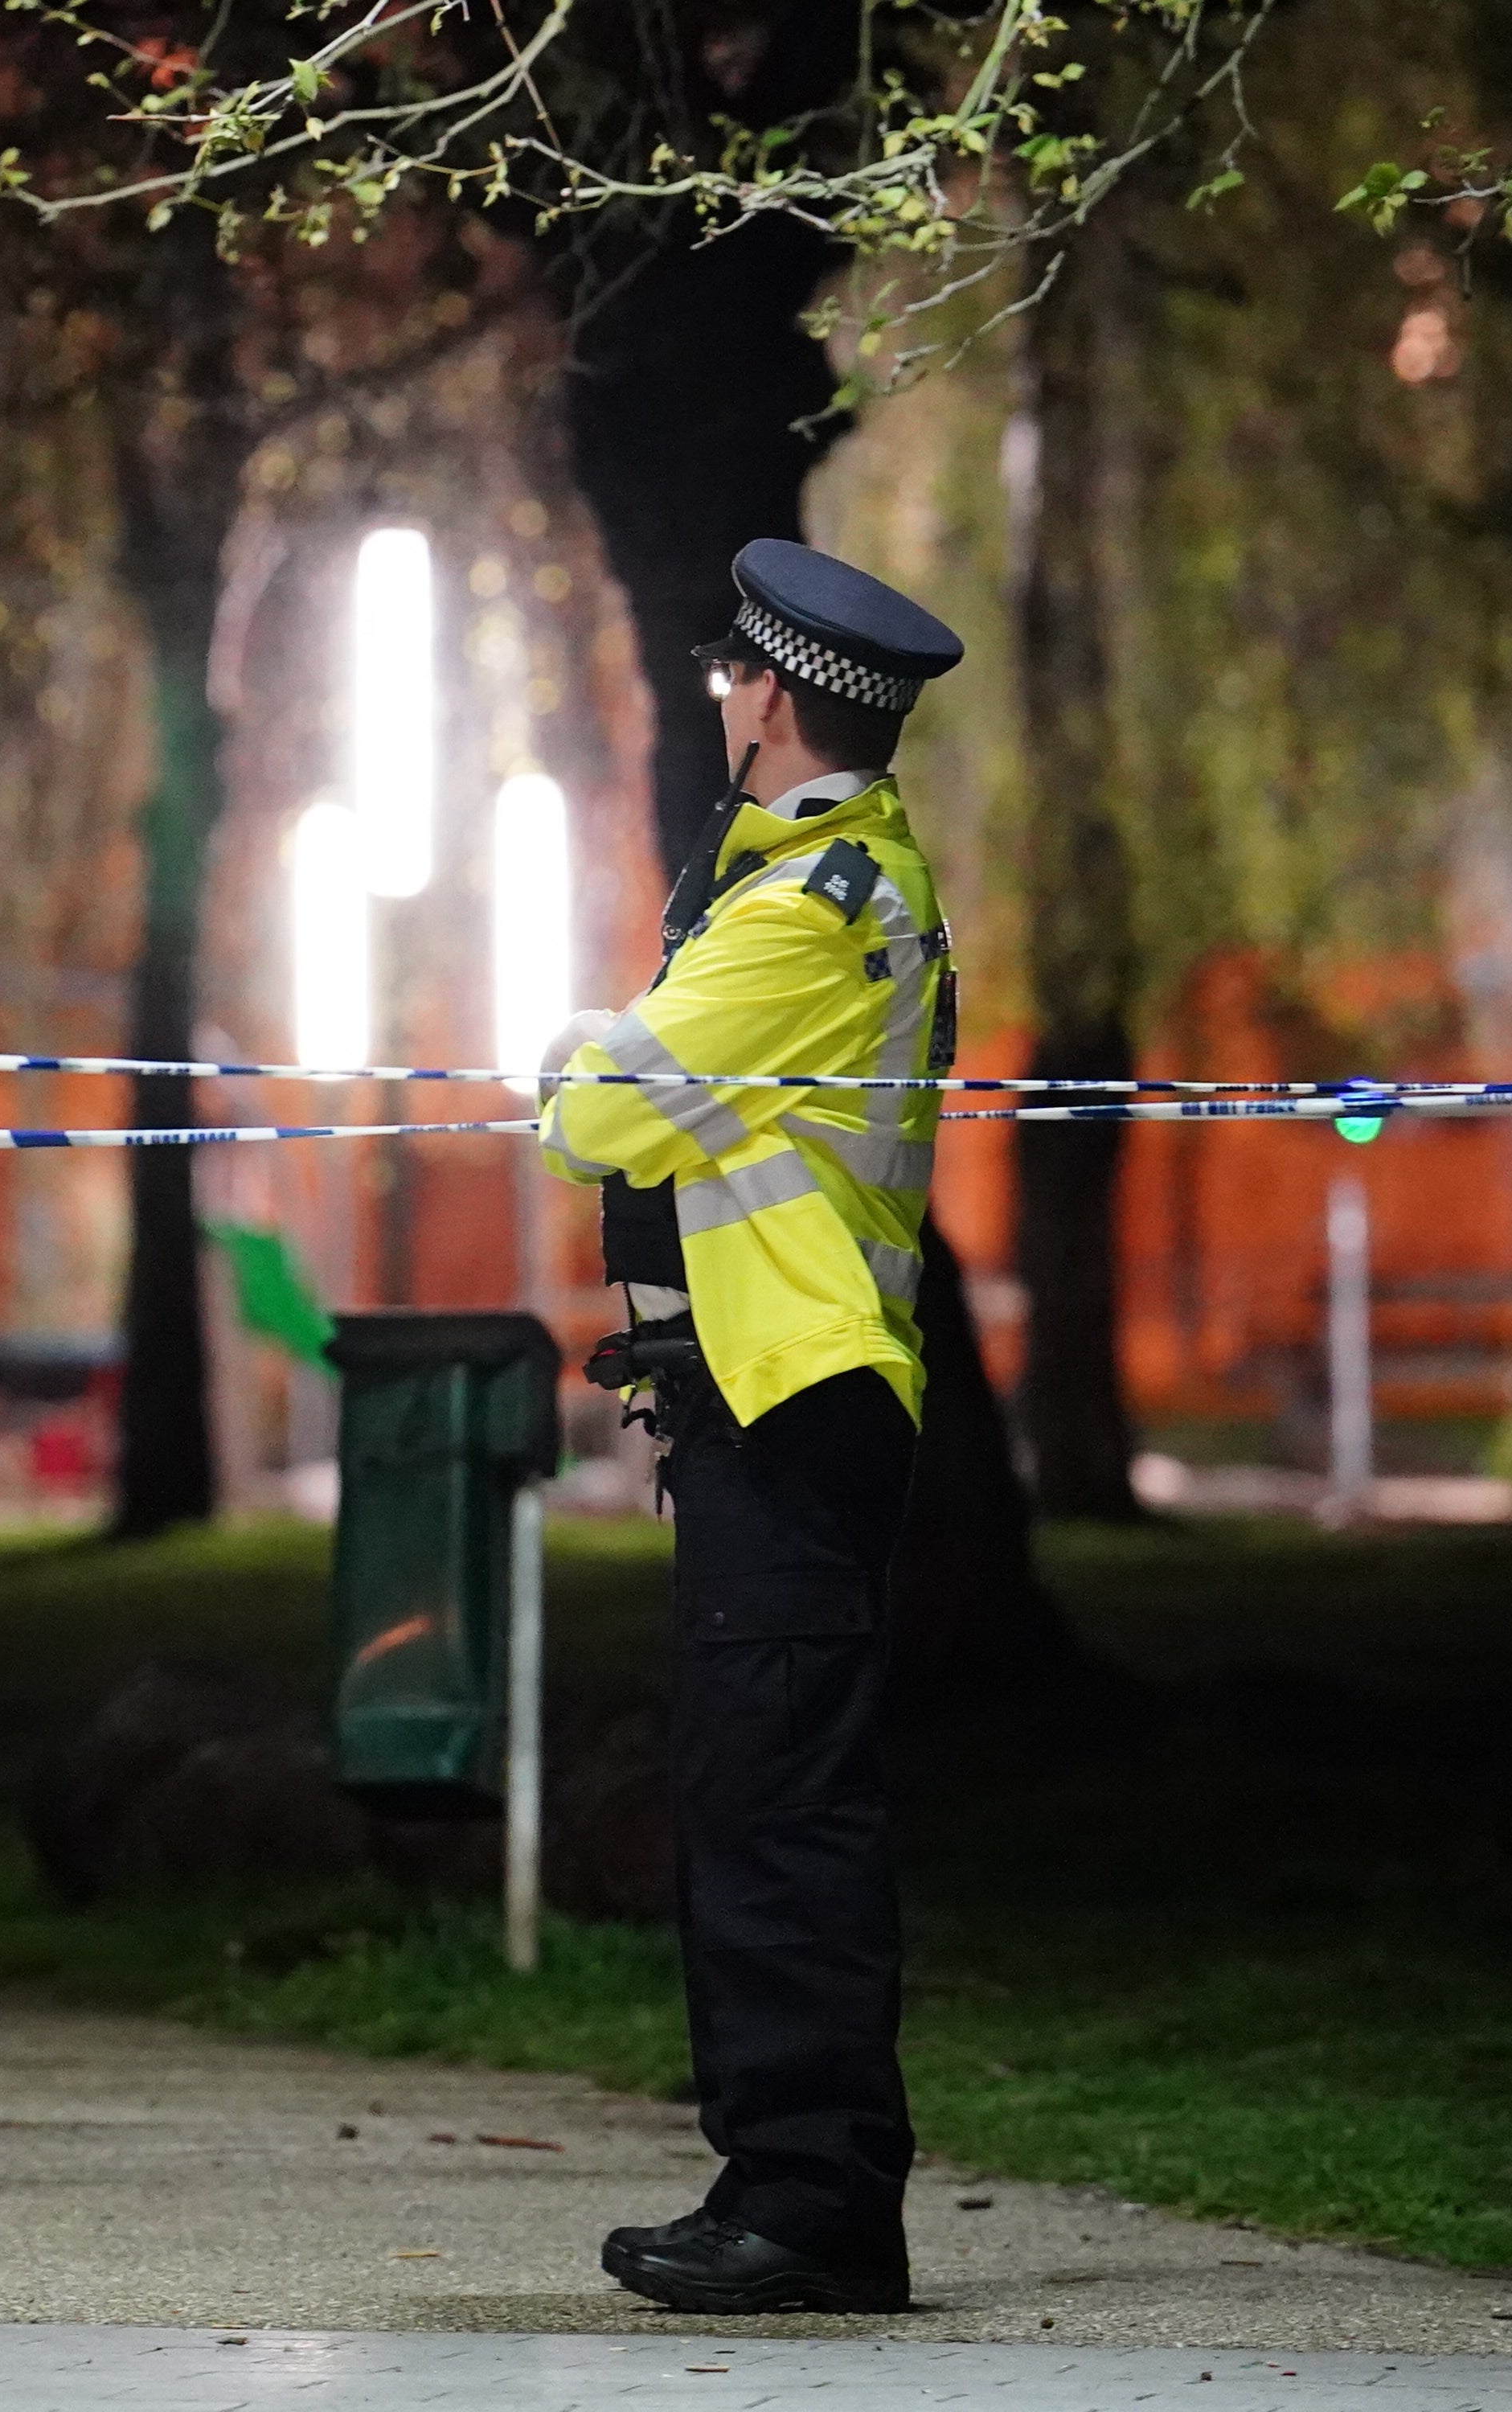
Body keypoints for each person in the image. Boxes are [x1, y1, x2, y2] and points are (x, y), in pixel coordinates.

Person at [536, 537, 965, 2317]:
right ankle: (785, 2181)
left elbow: (596, 1119)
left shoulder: (806, 911)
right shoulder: (821, 877)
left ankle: (811, 2201)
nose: (724, 695)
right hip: (781, 1389)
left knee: (775, 1804)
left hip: (794, 1396)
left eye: (732, 675)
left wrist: (584, 1045)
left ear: (771, 696)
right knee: (754, 1788)